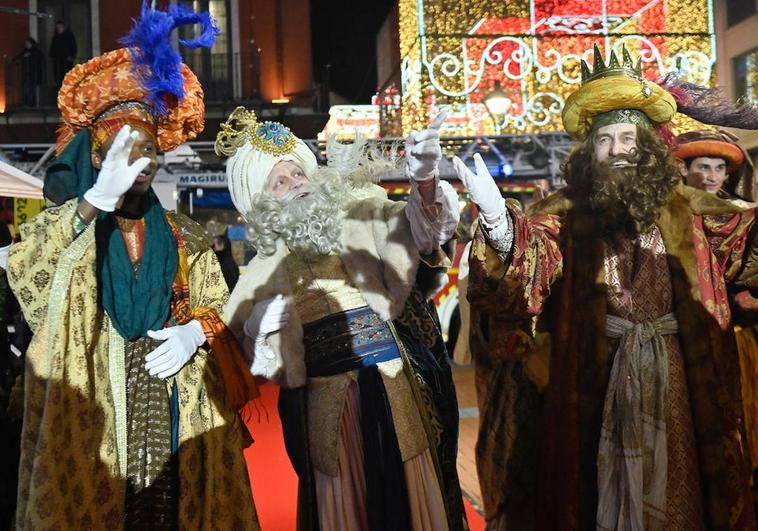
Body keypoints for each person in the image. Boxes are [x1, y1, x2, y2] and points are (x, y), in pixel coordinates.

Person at [457, 45, 758, 530]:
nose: (617, 150)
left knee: (684, 487)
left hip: (682, 378)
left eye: (628, 138)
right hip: (595, 379)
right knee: (598, 490)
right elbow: (531, 260)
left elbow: (748, 250)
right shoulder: (565, 211)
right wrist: (498, 221)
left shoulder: (697, 210)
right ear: (588, 150)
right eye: (605, 140)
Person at [7, 3, 259, 529]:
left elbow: (219, 305)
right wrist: (92, 204)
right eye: (124, 149)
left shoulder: (184, 233)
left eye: (148, 150)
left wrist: (197, 331)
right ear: (97, 156)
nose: (140, 163)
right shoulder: (70, 222)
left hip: (175, 403)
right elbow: (33, 276)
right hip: (96, 401)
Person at [218, 107, 468, 530]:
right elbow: (252, 352)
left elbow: (421, 235)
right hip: (325, 404)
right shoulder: (261, 268)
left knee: (412, 484)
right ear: (260, 202)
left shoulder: (361, 208)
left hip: (394, 385)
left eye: (299, 174)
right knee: (342, 497)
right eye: (281, 181)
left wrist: (424, 185)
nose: (297, 185)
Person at [673, 129, 758, 483]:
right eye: (702, 166)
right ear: (684, 170)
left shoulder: (743, 216)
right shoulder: (671, 213)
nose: (710, 175)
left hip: (735, 331)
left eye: (718, 168)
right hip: (686, 328)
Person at [49, 20, 77, 90]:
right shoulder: (55, 38)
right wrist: (53, 56)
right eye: (57, 28)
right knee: (59, 81)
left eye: (60, 27)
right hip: (58, 63)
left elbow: (74, 48)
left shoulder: (69, 37)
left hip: (67, 62)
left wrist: (71, 57)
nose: (58, 29)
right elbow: (52, 49)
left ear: (64, 28)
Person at [16, 38, 44, 106]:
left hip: (34, 73)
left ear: (31, 44)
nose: (26, 45)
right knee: (26, 88)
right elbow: (19, 57)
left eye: (28, 43)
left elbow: (40, 58)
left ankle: (32, 103)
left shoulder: (36, 51)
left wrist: (29, 56)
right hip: (27, 73)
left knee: (32, 89)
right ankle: (28, 102)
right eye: (26, 43)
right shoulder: (25, 51)